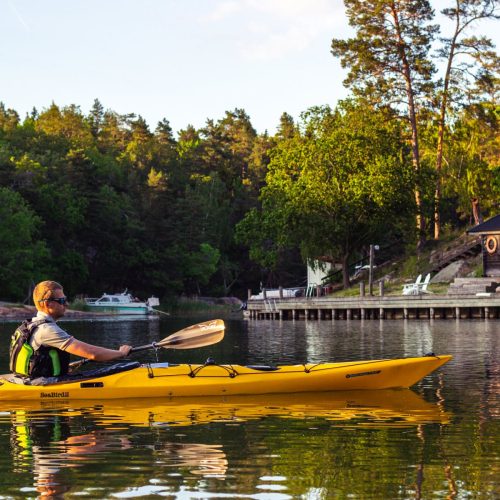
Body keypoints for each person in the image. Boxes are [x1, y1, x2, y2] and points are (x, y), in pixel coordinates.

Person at [10, 280, 132, 380]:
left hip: (26, 380)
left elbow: (37, 359)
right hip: (42, 386)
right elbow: (93, 354)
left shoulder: (30, 324)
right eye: (62, 301)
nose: (67, 304)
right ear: (48, 304)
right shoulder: (47, 330)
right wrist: (121, 353)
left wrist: (63, 366)